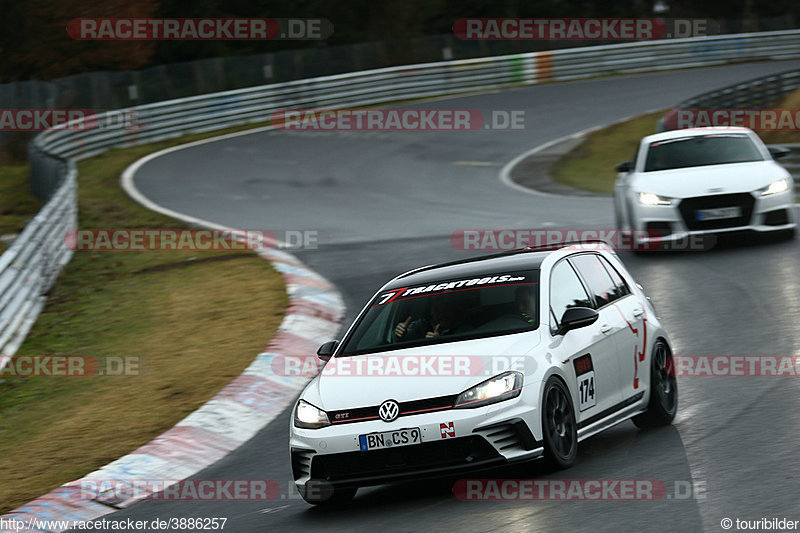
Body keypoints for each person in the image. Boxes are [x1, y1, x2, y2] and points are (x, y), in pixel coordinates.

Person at [393, 298, 460, 341]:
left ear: (454, 310)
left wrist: (440, 341)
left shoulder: (466, 330)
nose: (441, 314)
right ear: (431, 312)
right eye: (437, 309)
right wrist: (400, 334)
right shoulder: (421, 327)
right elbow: (399, 342)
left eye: (446, 309)